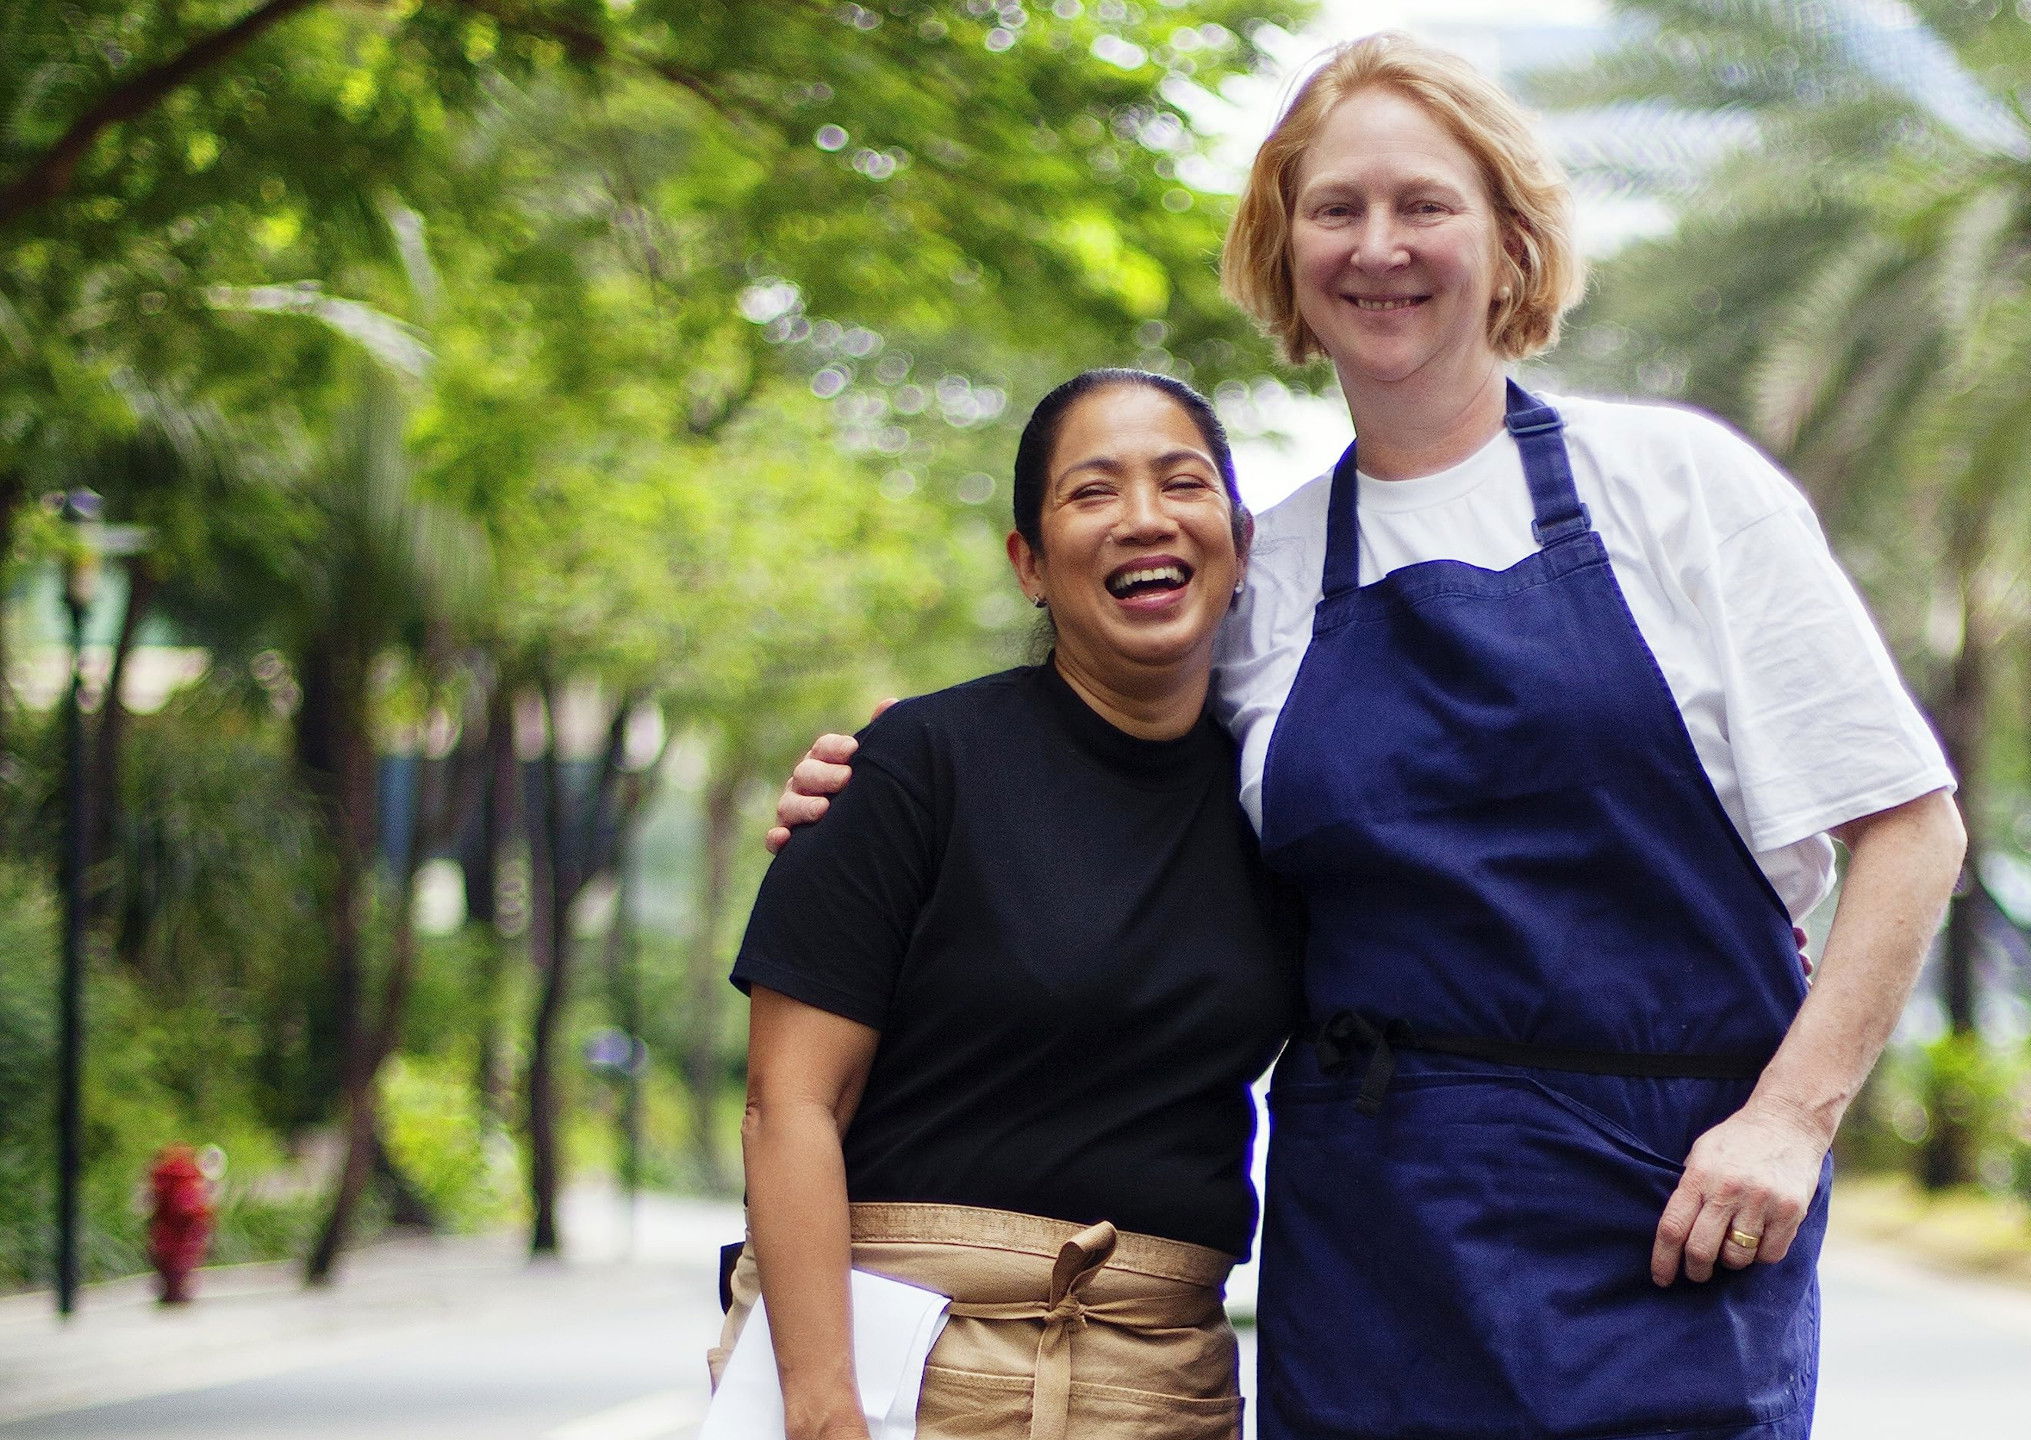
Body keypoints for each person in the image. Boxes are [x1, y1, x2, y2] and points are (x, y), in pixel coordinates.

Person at [774, 34, 1966, 1440]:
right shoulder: (1262, 574)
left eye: (1423, 205)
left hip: (1670, 1221)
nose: (1377, 247)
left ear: (1510, 242)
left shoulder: (1676, 486)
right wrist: (883, 783)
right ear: (1287, 259)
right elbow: (1098, 754)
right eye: (1334, 210)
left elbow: (1909, 827)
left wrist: (1792, 1119)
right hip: (1372, 1256)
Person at [722, 369, 1299, 1440]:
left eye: (1183, 483)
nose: (1145, 518)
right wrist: (824, 1409)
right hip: (906, 1377)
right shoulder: (915, 766)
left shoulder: (1285, 804)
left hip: (1164, 1387)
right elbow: (788, 1105)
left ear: (1239, 539)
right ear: (1028, 563)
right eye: (1093, 491)